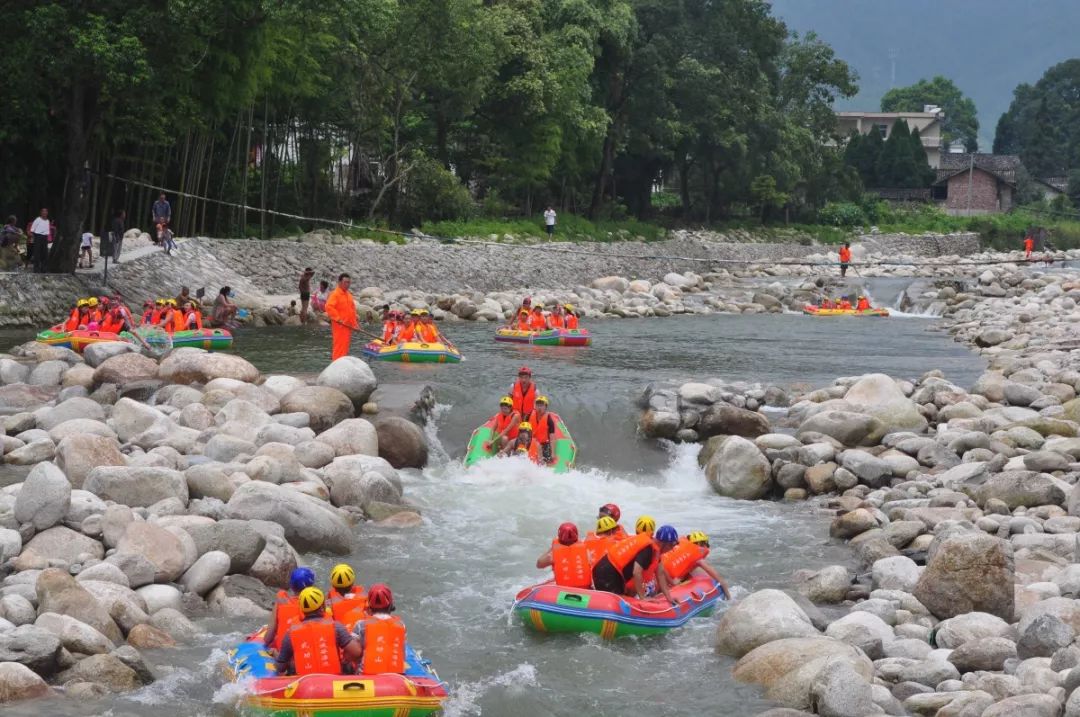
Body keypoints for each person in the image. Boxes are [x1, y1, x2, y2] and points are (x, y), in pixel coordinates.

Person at [275, 587, 363, 676]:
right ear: (323, 606)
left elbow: (281, 667)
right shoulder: (336, 627)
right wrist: (345, 661)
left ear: (301, 609)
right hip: (333, 681)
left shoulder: (290, 633)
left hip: (305, 684)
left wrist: (276, 655)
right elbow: (357, 652)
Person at [591, 516, 666, 600]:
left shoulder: (634, 542)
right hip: (609, 574)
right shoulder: (647, 548)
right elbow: (637, 573)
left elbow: (660, 573)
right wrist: (643, 597)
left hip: (603, 571)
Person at [351, 584, 407, 675]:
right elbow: (403, 655)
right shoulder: (401, 625)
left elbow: (353, 654)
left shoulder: (360, 625)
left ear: (369, 605)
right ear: (390, 604)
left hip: (367, 678)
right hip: (396, 677)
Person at [658, 531, 731, 598]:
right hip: (663, 582)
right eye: (706, 544)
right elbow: (719, 579)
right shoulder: (697, 557)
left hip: (655, 576)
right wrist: (728, 596)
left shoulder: (676, 547)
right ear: (700, 544)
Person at [265, 567, 317, 651]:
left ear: (291, 585)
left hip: (282, 653)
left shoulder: (281, 600)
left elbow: (268, 637)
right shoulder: (316, 604)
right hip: (305, 652)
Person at [536, 522, 592, 589]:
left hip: (563, 591)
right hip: (586, 590)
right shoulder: (586, 551)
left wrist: (552, 548)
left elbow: (539, 564)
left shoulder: (552, 555)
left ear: (559, 535)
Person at [325, 273, 358, 361]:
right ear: (339, 282)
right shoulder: (335, 294)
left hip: (348, 326)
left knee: (345, 347)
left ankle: (341, 366)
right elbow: (329, 306)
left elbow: (352, 312)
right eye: (345, 282)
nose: (347, 284)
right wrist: (338, 318)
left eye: (349, 282)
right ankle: (336, 366)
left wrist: (355, 325)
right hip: (339, 326)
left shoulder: (349, 295)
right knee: (339, 346)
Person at [327, 563, 368, 629]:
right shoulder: (362, 592)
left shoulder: (331, 595)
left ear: (333, 585)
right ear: (352, 582)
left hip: (341, 633)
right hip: (359, 631)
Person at [528, 395, 556, 465]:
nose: (539, 407)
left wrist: (553, 453)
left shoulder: (549, 420)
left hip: (544, 444)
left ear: (545, 407)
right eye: (537, 405)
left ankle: (542, 463)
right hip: (531, 441)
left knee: (547, 459)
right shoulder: (530, 415)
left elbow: (552, 438)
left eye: (541, 405)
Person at [30, 208, 50, 274]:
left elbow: (47, 231)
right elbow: (32, 229)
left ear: (47, 213)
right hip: (38, 236)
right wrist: (33, 238)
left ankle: (43, 269)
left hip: (45, 237)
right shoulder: (37, 220)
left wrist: (48, 238)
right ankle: (36, 269)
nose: (44, 213)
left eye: (45, 212)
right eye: (43, 212)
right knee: (37, 253)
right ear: (41, 213)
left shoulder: (48, 221)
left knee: (45, 253)